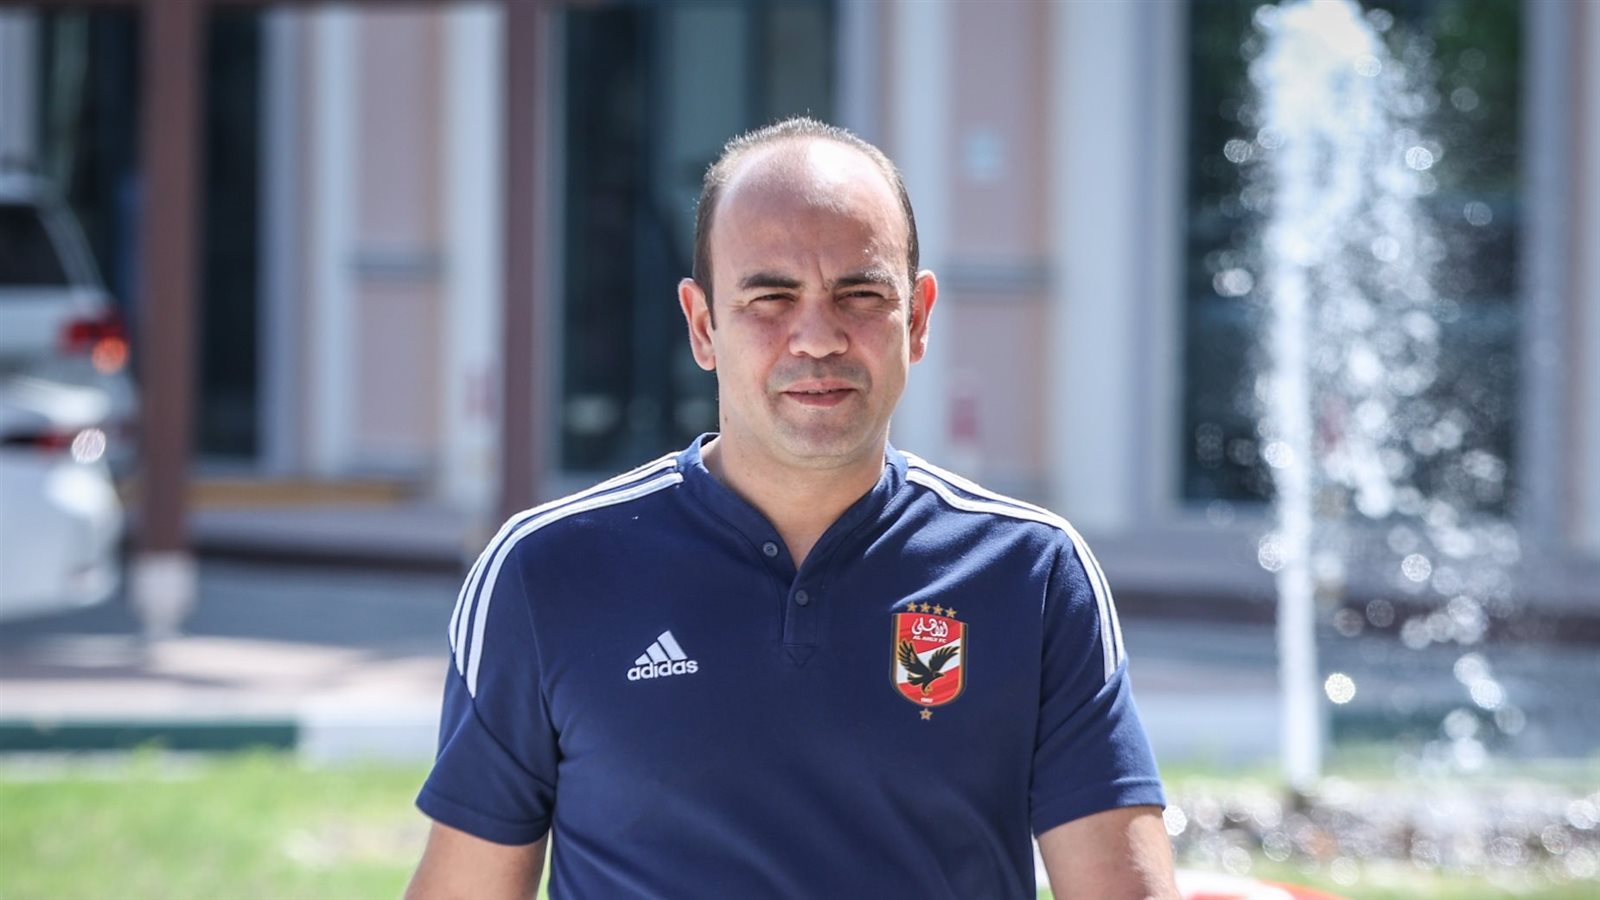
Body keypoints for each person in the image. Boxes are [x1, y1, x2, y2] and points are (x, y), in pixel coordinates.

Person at [405, 117, 1178, 899]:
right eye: (771, 298)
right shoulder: (545, 570)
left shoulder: (1032, 572)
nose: (817, 337)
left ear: (916, 319)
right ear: (703, 326)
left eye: (860, 294)